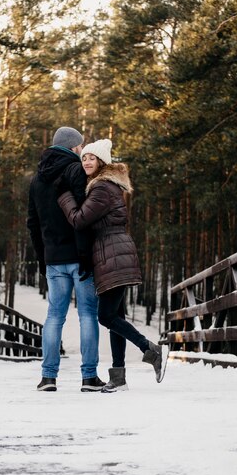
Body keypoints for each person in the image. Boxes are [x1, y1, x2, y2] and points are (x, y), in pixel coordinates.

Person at [55, 138, 166, 392]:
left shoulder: (102, 188)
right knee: (117, 316)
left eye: (91, 158)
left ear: (102, 161)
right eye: (84, 157)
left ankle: (151, 350)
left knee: (106, 316)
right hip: (114, 254)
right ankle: (119, 378)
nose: (86, 161)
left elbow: (79, 219)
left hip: (112, 254)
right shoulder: (104, 186)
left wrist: (63, 197)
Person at [27, 126, 105, 393]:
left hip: (53, 258)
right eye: (81, 147)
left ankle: (48, 377)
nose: (83, 151)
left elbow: (32, 224)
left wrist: (42, 258)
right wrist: (85, 254)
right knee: (87, 315)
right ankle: (89, 377)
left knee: (54, 317)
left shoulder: (37, 179)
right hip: (79, 256)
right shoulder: (76, 171)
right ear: (73, 147)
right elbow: (83, 216)